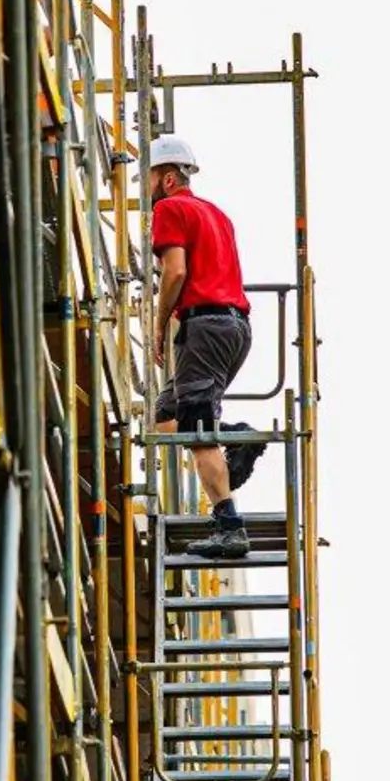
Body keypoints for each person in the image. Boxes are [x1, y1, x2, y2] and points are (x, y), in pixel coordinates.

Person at [143, 136, 265, 558]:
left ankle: (230, 527)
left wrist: (158, 325)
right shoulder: (216, 214)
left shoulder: (169, 208)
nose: (146, 187)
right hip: (234, 329)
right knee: (163, 418)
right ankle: (235, 436)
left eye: (150, 177)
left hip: (206, 327)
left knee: (197, 433)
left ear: (169, 177)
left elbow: (175, 272)